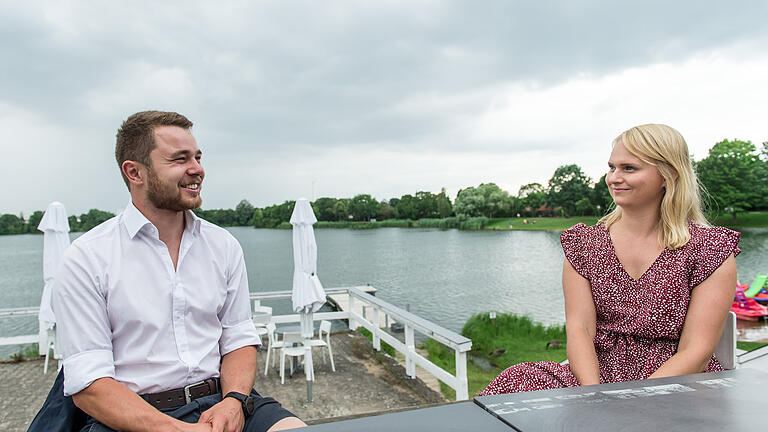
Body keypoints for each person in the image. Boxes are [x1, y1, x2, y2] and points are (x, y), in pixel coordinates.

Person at [50, 111, 306, 431]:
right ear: (135, 172)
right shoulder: (86, 259)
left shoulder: (223, 245)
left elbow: (238, 338)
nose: (197, 168)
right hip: (129, 418)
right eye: (179, 159)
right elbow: (90, 386)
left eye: (197, 156)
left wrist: (234, 401)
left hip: (221, 403)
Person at [482, 124, 739, 395]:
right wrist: (594, 397)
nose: (614, 178)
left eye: (629, 168)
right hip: (595, 375)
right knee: (518, 378)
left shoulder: (709, 249)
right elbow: (580, 329)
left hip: (675, 383)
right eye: (611, 167)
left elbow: (696, 351)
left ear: (669, 175)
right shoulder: (584, 244)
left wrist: (631, 400)